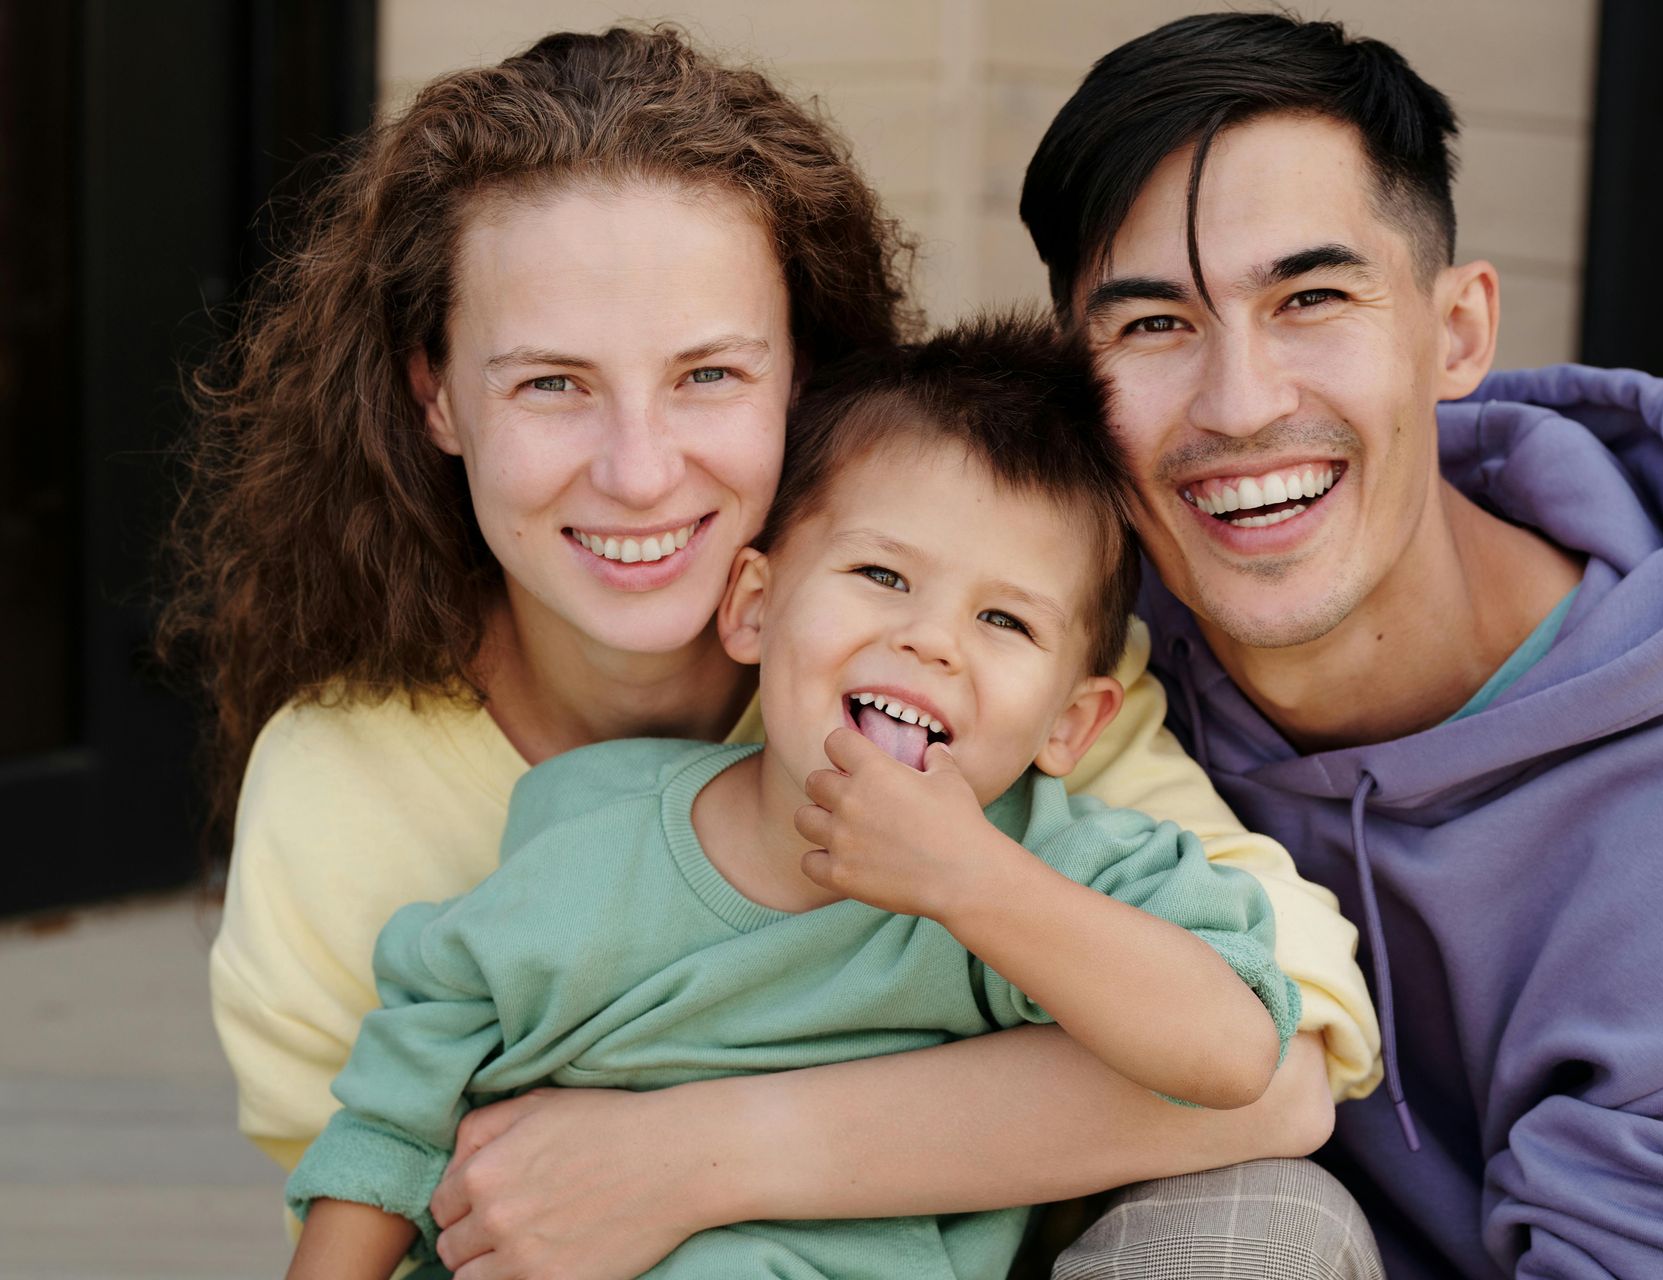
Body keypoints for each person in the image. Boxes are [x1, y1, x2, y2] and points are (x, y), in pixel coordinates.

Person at [162, 25, 1384, 1279]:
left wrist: (704, 1153)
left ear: (798, 377)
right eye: (550, 385)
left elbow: (1275, 1076)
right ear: (436, 396)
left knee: (1272, 1224)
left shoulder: (980, 698)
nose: (638, 472)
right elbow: (390, 1177)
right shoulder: (344, 789)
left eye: (707, 373)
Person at [1016, 10, 1663, 1278]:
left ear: (1457, 334)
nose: (1240, 403)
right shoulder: (1071, 646)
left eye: (1312, 297)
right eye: (1154, 325)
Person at [281, 315, 1303, 1280]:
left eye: (1004, 619)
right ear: (755, 606)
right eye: (881, 574)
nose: (930, 639)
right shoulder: (588, 837)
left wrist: (975, 880)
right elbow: (394, 1116)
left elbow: (1234, 1046)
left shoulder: (1051, 874)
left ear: (1070, 726)